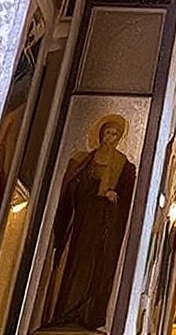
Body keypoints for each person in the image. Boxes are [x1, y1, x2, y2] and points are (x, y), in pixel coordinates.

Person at [46, 116, 136, 329]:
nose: (110, 138)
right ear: (100, 134)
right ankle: (66, 311)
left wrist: (114, 194)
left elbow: (126, 195)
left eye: (114, 134)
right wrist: (89, 185)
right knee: (76, 265)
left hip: (105, 224)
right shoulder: (85, 159)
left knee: (99, 268)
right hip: (84, 220)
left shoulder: (124, 165)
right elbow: (73, 188)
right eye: (107, 132)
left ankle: (88, 315)